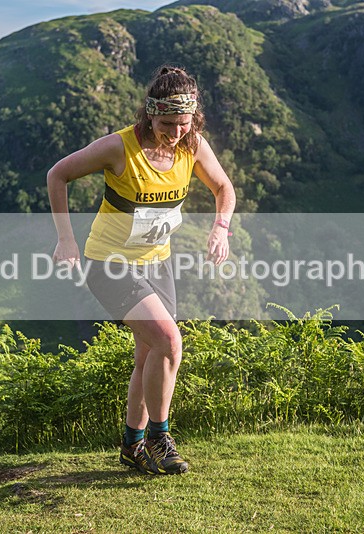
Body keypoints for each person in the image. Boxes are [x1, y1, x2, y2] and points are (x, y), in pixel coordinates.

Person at [47, 65, 235, 475]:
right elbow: (57, 174)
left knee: (150, 352)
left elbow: (224, 188)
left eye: (183, 124)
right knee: (170, 339)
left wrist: (221, 228)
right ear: (149, 114)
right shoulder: (119, 148)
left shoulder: (192, 146)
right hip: (108, 263)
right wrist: (66, 238)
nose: (174, 132)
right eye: (167, 123)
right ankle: (158, 438)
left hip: (158, 263)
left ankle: (132, 445)